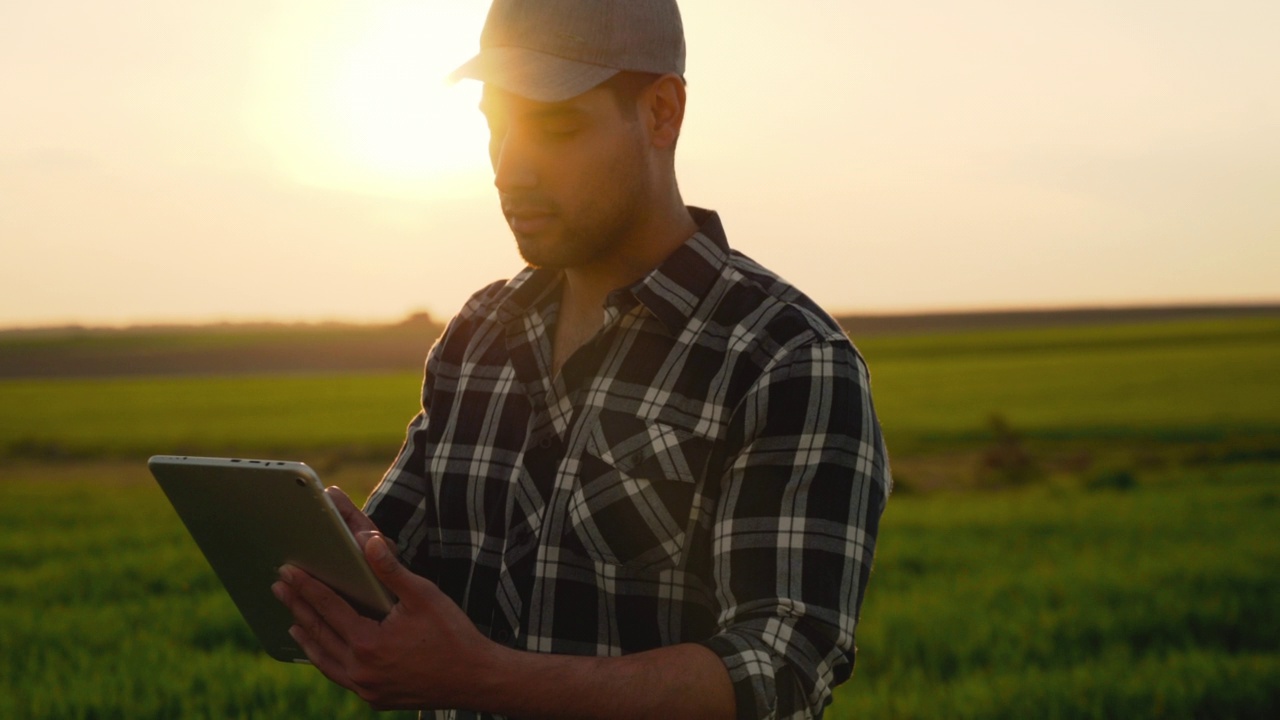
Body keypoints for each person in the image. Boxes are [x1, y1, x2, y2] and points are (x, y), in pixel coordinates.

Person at [272, 1, 891, 718]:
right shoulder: (480, 334)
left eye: (555, 126)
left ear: (662, 113)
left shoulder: (786, 360)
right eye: (493, 125)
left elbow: (779, 672)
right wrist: (344, 564)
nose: (509, 168)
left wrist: (485, 678)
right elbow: (400, 570)